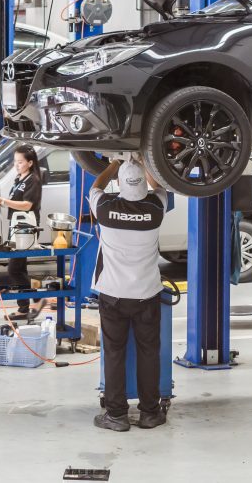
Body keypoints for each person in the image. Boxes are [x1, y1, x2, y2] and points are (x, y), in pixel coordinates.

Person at [89, 155, 168, 432]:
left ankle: (117, 416)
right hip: (147, 294)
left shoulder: (105, 207)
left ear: (121, 183)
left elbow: (95, 186)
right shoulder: (156, 207)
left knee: (114, 353)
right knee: (149, 353)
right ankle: (149, 413)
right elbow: (159, 187)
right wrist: (146, 161)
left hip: (113, 295)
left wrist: (113, 163)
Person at [0, 145, 44, 321]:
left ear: (30, 162)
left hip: (26, 229)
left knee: (14, 268)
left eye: (20, 162)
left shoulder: (33, 180)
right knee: (20, 267)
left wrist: (3, 201)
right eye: (15, 162)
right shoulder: (20, 178)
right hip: (17, 228)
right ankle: (31, 300)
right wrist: (1, 203)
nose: (16, 165)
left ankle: (26, 305)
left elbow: (27, 205)